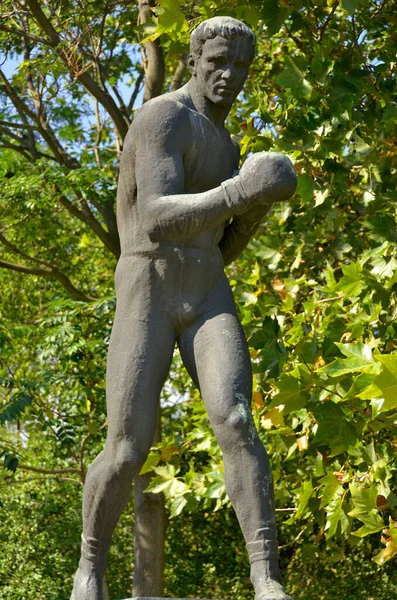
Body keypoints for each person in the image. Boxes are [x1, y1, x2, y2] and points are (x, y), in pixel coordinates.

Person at [72, 16, 296, 600]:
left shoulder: (227, 143)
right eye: (218, 62)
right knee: (126, 447)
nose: (229, 76)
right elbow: (155, 217)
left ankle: (265, 575)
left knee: (236, 418)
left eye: (240, 67)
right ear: (195, 59)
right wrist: (239, 193)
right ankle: (89, 567)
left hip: (205, 290)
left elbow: (224, 245)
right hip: (147, 286)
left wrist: (255, 210)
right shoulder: (163, 118)